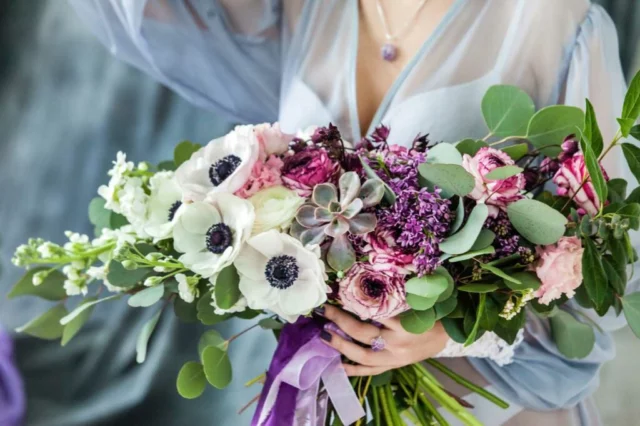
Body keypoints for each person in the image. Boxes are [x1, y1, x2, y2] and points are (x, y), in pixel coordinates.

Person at [67, 0, 637, 425]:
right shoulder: (306, 10)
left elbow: (605, 253)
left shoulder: (554, 19)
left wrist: (449, 336)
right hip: (326, 399)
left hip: (482, 406)